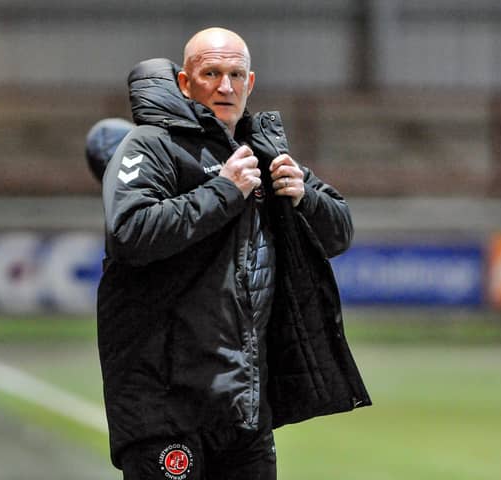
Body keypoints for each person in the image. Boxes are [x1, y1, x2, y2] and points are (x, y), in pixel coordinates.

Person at [97, 27, 371, 480]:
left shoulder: (262, 153)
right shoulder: (149, 146)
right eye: (211, 73)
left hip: (243, 409)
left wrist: (306, 198)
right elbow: (131, 231)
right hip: (166, 407)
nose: (225, 86)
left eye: (235, 74)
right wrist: (224, 190)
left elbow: (339, 233)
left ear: (251, 82)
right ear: (186, 83)